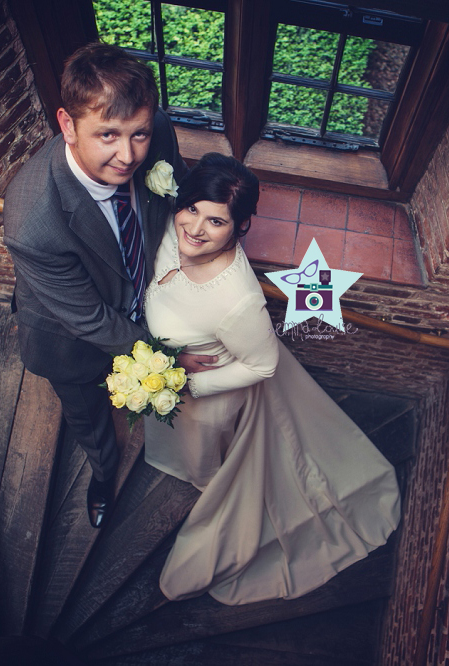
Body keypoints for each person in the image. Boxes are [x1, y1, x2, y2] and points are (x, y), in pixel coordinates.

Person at [142, 153, 401, 605]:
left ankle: (210, 489)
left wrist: (186, 386)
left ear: (240, 227)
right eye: (192, 209)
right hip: (166, 378)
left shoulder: (237, 299)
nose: (196, 229)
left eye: (217, 221)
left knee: (204, 457)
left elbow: (263, 366)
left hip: (207, 398)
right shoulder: (171, 228)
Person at [2, 43, 213, 529]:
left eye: (138, 134)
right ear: (67, 124)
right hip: (69, 338)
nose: (128, 155)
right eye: (108, 135)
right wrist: (167, 356)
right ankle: (102, 475)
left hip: (143, 297)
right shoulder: (33, 221)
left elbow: (176, 191)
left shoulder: (154, 133)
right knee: (89, 420)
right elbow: (89, 319)